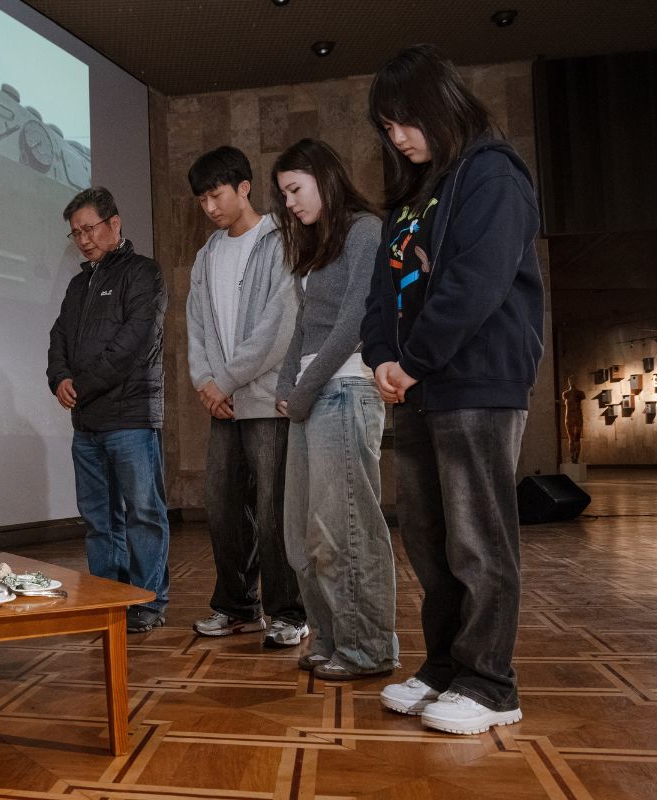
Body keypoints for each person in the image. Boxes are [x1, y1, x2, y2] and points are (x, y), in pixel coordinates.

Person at [361, 44, 544, 734]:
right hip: (418, 386)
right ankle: (444, 666)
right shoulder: (415, 194)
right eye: (387, 128)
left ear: (440, 106)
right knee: (431, 543)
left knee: (478, 540)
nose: (397, 138)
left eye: (404, 122)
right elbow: (383, 291)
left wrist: (414, 360)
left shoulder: (492, 173)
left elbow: (476, 281)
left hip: (475, 381)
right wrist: (383, 357)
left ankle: (491, 683)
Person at [271, 139, 396, 680]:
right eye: (284, 194)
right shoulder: (317, 243)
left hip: (344, 389)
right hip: (312, 393)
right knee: (302, 534)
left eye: (295, 189)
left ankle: (367, 648)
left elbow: (353, 324)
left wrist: (301, 391)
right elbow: (305, 325)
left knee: (345, 527)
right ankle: (330, 637)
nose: (290, 203)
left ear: (324, 177)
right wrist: (287, 383)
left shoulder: (365, 231)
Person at [184, 146, 307, 648]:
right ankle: (237, 608)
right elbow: (195, 324)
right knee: (223, 507)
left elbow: (279, 326)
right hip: (223, 403)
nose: (210, 207)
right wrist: (204, 383)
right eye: (202, 200)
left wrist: (225, 381)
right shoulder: (207, 254)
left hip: (265, 398)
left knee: (275, 509)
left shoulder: (281, 240)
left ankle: (289, 612)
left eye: (216, 195)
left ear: (244, 188)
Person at [47, 187, 170, 633]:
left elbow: (133, 344)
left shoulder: (144, 273)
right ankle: (108, 599)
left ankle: (148, 602)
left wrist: (81, 385)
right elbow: (59, 338)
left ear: (114, 223)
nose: (83, 240)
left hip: (131, 417)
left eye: (89, 229)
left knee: (143, 514)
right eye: (75, 233)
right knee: (100, 520)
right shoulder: (78, 284)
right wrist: (59, 378)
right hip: (87, 423)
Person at [562, 376, 585, 463]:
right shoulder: (565, 393)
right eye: (570, 380)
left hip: (578, 417)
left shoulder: (580, 393)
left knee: (577, 438)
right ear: (568, 382)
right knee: (571, 439)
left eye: (573, 380)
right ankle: (572, 458)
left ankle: (576, 458)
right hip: (568, 417)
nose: (571, 382)